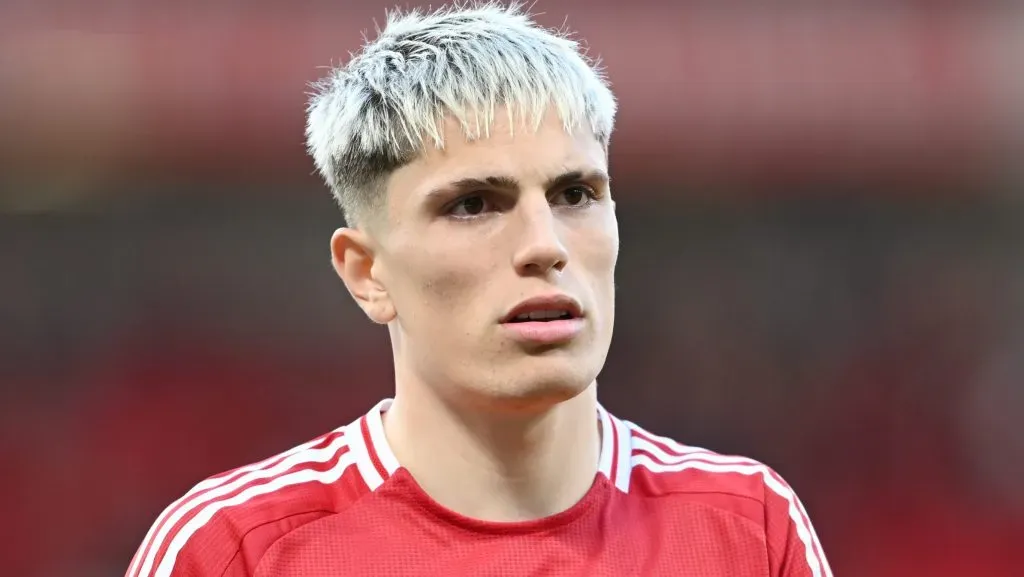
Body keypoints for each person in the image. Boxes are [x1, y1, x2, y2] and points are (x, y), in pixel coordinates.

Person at [126, 3, 832, 576]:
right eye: (473, 205)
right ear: (367, 273)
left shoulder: (747, 531)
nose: (544, 245)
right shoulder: (232, 551)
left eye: (576, 193)